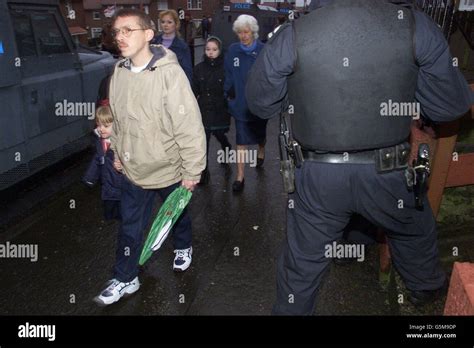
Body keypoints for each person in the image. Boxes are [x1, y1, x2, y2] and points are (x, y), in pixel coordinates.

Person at [246, 0, 473, 315]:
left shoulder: (293, 33)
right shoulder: (415, 26)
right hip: (388, 171)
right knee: (413, 227)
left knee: (303, 263)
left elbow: (260, 104)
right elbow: (451, 105)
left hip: (317, 176)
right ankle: (425, 288)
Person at [94, 9, 206, 305]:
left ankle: (184, 246)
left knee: (174, 215)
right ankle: (125, 277)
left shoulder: (170, 73)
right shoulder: (118, 73)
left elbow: (189, 125)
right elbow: (116, 119)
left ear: (147, 34)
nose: (120, 37)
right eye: (116, 32)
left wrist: (192, 171)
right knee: (130, 228)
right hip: (134, 170)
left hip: (170, 167)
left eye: (127, 30)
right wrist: (117, 151)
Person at [224, 14, 266, 192]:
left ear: (253, 32)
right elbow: (227, 73)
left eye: (246, 32)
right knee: (241, 139)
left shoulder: (263, 50)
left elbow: (269, 75)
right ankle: (240, 176)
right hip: (240, 103)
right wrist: (227, 93)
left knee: (259, 134)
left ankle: (261, 150)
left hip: (259, 103)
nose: (243, 36)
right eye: (240, 32)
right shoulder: (233, 50)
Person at [192, 36, 231, 185]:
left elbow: (230, 88)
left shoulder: (225, 68)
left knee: (219, 134)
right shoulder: (199, 68)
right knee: (204, 140)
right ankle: (204, 171)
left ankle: (226, 148)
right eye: (208, 49)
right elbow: (194, 89)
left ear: (220, 51)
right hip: (204, 109)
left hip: (220, 108)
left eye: (214, 49)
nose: (210, 52)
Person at [83, 106, 123, 221]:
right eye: (99, 125)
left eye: (106, 126)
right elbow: (97, 160)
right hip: (107, 184)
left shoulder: (121, 142)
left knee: (124, 212)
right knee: (109, 211)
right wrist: (89, 177)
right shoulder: (100, 142)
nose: (101, 129)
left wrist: (123, 166)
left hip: (121, 185)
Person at [151, 10, 193, 83]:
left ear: (176, 24)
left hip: (174, 84)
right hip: (156, 83)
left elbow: (187, 71)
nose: (165, 25)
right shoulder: (154, 42)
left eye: (169, 22)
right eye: (163, 22)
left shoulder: (182, 46)